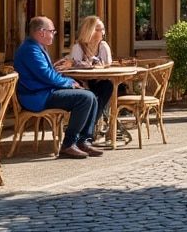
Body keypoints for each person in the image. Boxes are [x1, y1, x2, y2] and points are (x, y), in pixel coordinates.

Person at [13, 16, 101, 159]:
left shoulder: (36, 46)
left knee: (91, 96)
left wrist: (69, 82)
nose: (53, 34)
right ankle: (68, 144)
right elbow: (47, 76)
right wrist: (70, 83)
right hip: (37, 96)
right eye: (52, 31)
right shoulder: (30, 50)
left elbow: (49, 74)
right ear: (42, 32)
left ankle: (83, 141)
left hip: (44, 92)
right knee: (85, 98)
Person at [68, 16, 114, 140]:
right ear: (91, 30)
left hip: (99, 79)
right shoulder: (78, 47)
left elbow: (107, 66)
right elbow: (76, 68)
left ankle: (90, 125)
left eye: (103, 29)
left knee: (108, 86)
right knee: (89, 94)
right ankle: (87, 132)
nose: (102, 33)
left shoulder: (103, 46)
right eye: (99, 29)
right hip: (83, 81)